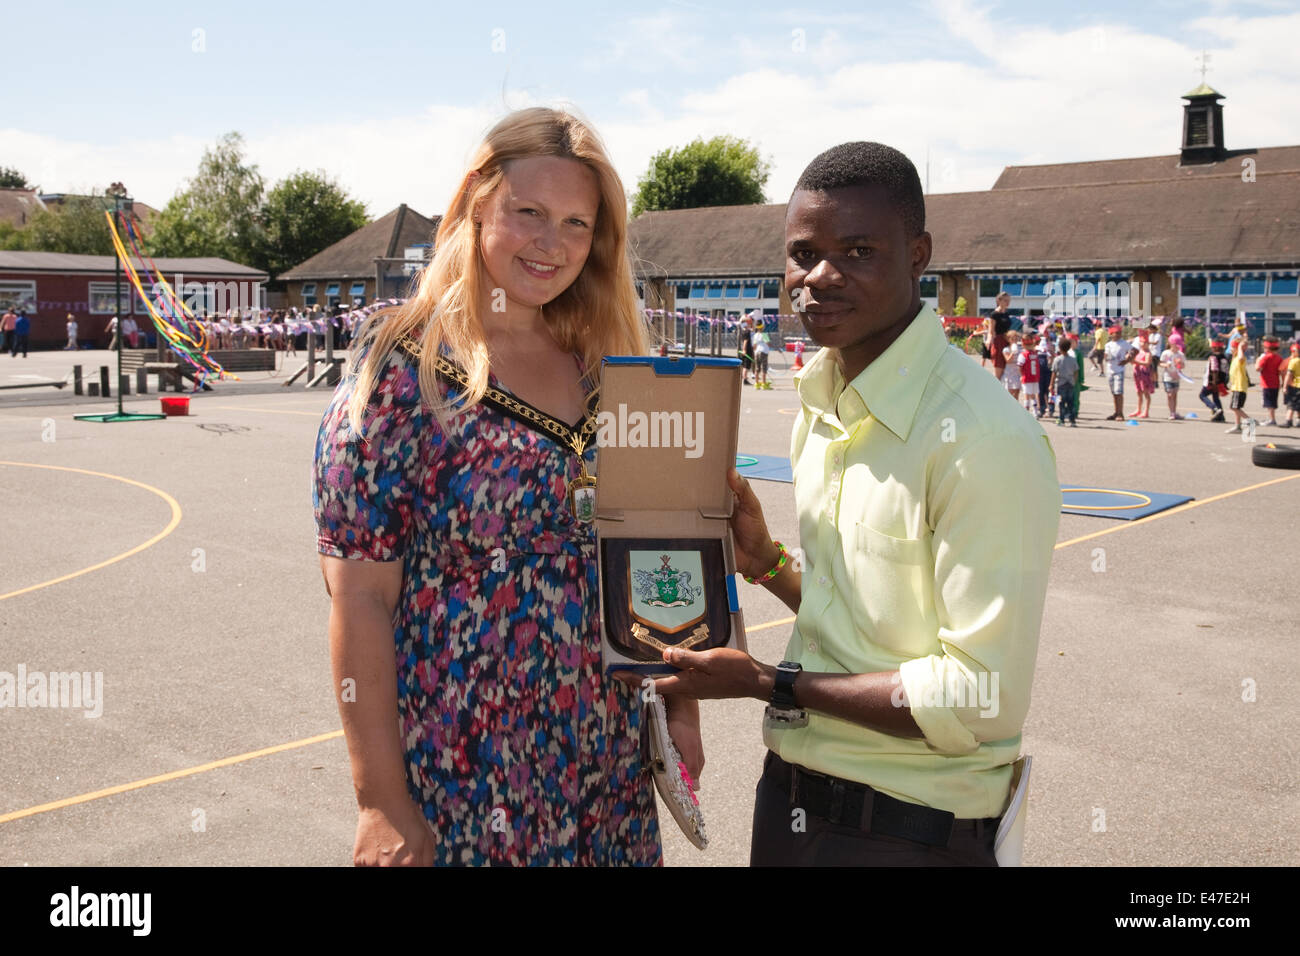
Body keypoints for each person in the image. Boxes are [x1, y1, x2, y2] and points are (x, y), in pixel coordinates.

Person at [640, 141, 1061, 866]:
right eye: (803, 254)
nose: (820, 278)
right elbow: (864, 626)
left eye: (858, 251)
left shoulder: (982, 437)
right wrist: (767, 562)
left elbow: (976, 695)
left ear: (918, 254)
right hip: (794, 803)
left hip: (907, 827)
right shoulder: (823, 402)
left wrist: (766, 682)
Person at [312, 107, 680, 866]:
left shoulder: (604, 359)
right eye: (530, 213)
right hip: (466, 767)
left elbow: (646, 552)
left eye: (578, 224)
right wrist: (380, 799)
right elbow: (360, 596)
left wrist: (679, 711)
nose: (553, 244)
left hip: (604, 758)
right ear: (476, 201)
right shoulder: (400, 369)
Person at [1103, 325, 1136, 420]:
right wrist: (1106, 357)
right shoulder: (1108, 345)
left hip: (1119, 370)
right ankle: (1116, 412)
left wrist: (1127, 360)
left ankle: (1120, 413)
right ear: (1111, 334)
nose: (1118, 335)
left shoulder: (1124, 343)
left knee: (1119, 392)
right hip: (1110, 370)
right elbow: (1105, 355)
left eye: (1119, 333)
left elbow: (1133, 351)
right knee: (1114, 392)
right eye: (1115, 333)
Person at [1255, 336, 1284, 427]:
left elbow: (1258, 368)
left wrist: (1257, 360)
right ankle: (1271, 418)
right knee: (1272, 401)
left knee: (1269, 403)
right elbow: (1281, 371)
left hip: (1267, 383)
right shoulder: (1279, 358)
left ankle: (1272, 419)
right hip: (1275, 382)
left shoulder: (1265, 358)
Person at [1050, 336, 1078, 427]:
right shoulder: (1073, 359)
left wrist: (1051, 384)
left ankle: (1061, 419)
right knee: (1071, 402)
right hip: (1070, 383)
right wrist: (1074, 380)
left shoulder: (1057, 359)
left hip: (1061, 383)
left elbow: (1054, 372)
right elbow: (1076, 371)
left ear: (1059, 348)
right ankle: (1072, 420)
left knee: (1061, 402)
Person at [1225, 337, 1251, 434]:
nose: (1231, 349)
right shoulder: (1235, 358)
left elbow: (1240, 357)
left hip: (1240, 387)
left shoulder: (1241, 358)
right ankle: (1238, 426)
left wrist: (1240, 347)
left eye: (1232, 347)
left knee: (1234, 407)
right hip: (1236, 386)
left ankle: (1250, 421)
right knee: (1236, 407)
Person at [1159, 338, 1186, 420]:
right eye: (1176, 345)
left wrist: (1180, 364)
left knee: (1174, 394)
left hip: (1176, 377)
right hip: (1167, 376)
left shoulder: (1180, 354)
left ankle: (1174, 412)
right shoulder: (1166, 353)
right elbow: (1160, 363)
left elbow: (1183, 365)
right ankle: (1171, 412)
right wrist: (1166, 365)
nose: (1178, 347)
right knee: (1170, 394)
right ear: (1171, 344)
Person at [1131, 331, 1155, 419]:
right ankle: (1138, 409)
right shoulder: (1138, 352)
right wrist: (1131, 360)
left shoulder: (1148, 353)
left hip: (1145, 375)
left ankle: (1146, 411)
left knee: (1146, 393)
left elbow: (1147, 363)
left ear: (1148, 343)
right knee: (1138, 392)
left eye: (1145, 342)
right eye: (1141, 342)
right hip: (1137, 374)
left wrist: (1136, 362)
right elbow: (1133, 362)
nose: (1143, 344)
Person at [1018, 333, 1041, 415]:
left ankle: (1026, 412)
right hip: (1035, 377)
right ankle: (1035, 411)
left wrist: (1021, 375)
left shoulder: (1023, 354)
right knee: (1033, 395)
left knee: (1026, 395)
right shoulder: (1035, 354)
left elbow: (1020, 366)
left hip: (1026, 377)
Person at [1281, 342, 1300, 428]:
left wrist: (1284, 386)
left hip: (1294, 385)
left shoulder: (1293, 361)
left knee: (1291, 404)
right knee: (1298, 404)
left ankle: (1288, 420)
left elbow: (1289, 374)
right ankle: (1298, 420)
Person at [752, 315, 773, 389]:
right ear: (762, 327)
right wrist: (773, 346)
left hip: (757, 352)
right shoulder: (764, 334)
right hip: (764, 352)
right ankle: (764, 383)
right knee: (764, 368)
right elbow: (768, 343)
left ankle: (757, 383)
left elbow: (754, 346)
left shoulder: (755, 335)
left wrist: (754, 351)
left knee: (757, 368)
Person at [738, 315, 754, 384]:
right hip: (747, 350)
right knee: (746, 365)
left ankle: (743, 377)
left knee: (744, 364)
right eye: (749, 323)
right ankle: (745, 378)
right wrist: (744, 350)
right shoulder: (747, 332)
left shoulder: (743, 331)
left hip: (744, 349)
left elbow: (752, 328)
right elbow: (745, 341)